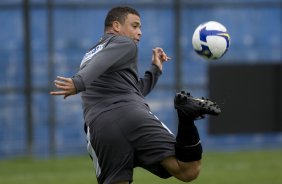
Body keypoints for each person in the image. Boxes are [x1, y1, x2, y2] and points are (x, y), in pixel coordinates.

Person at [50, 6, 221, 184]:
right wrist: (78, 82)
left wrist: (155, 70)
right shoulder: (125, 43)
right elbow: (98, 67)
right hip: (132, 116)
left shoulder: (90, 54)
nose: (139, 33)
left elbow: (133, 89)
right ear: (116, 26)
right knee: (188, 170)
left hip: (101, 127)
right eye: (135, 26)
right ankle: (186, 117)